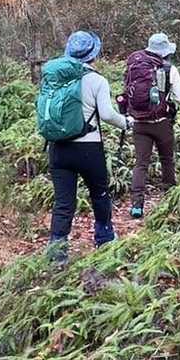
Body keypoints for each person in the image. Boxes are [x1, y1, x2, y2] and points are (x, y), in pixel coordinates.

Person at [39, 31, 129, 261]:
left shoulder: (53, 78)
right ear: (93, 55)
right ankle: (104, 238)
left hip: (58, 147)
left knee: (63, 202)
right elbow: (107, 114)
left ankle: (57, 253)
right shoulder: (97, 80)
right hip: (89, 147)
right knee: (99, 193)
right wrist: (126, 123)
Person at [122, 32, 180, 219]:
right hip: (161, 122)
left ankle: (137, 205)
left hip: (139, 123)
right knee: (167, 159)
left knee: (141, 164)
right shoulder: (169, 69)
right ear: (165, 51)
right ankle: (170, 198)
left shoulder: (134, 65)